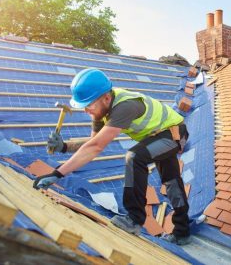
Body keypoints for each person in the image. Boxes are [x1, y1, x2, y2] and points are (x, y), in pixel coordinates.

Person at [33, 68, 191, 245]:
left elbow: (95, 148)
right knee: (171, 181)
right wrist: (64, 147)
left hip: (175, 134)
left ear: (106, 98)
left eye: (89, 105)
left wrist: (57, 174)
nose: (86, 110)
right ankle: (182, 232)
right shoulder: (100, 110)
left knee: (135, 157)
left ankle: (134, 219)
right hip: (158, 136)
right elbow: (93, 142)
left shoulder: (125, 106)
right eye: (83, 106)